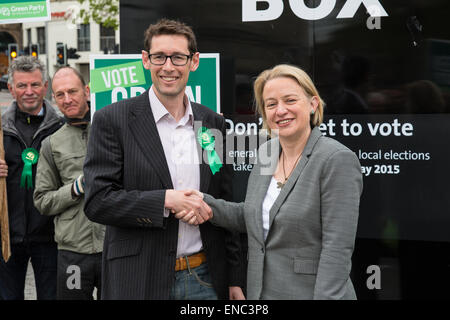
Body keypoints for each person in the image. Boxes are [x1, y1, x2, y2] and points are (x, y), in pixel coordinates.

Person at [83, 18, 245, 300]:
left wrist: (234, 279)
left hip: (204, 279)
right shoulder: (112, 120)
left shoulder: (213, 123)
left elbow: (225, 199)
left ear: (193, 62)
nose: (168, 67)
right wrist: (166, 200)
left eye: (178, 57)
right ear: (146, 60)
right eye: (159, 57)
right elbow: (98, 202)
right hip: (138, 279)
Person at [178, 64, 363, 299]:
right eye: (271, 104)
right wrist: (203, 203)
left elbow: (337, 250)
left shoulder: (336, 159)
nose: (281, 110)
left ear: (313, 104)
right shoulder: (267, 152)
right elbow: (254, 215)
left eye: (290, 100)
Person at [33, 67, 104, 300]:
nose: (67, 99)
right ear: (53, 98)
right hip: (73, 252)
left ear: (86, 91)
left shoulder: (110, 130)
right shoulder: (51, 144)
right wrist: (74, 189)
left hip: (113, 245)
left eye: (72, 91)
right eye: (60, 94)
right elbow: (42, 201)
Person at [0, 56, 63, 300]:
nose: (29, 92)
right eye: (22, 86)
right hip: (7, 238)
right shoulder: (0, 128)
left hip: (51, 237)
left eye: (35, 85)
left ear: (45, 87)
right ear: (11, 88)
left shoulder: (60, 127)